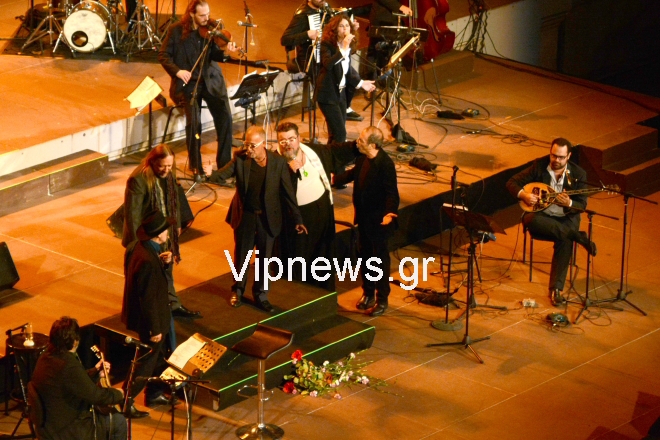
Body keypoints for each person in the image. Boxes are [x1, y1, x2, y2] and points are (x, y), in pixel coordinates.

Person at [203, 126, 307, 312]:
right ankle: (238, 291)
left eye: (252, 145)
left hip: (267, 218)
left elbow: (288, 193)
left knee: (264, 260)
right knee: (242, 257)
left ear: (263, 144)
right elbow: (223, 174)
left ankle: (261, 295)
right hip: (246, 217)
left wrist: (298, 219)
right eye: (246, 144)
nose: (248, 149)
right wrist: (211, 173)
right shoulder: (241, 159)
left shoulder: (278, 162)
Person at [506, 137, 598, 306]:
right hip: (541, 217)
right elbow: (512, 182)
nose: (556, 160)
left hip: (565, 219)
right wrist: (524, 195)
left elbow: (581, 206)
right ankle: (578, 236)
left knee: (565, 239)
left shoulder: (578, 174)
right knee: (532, 220)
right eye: (553, 155)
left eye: (561, 157)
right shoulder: (539, 166)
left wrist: (569, 203)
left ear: (568, 156)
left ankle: (556, 289)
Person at [158, 0, 239, 179]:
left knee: (225, 119)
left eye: (208, 14)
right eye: (202, 15)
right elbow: (163, 55)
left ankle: (224, 165)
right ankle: (196, 166)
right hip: (189, 84)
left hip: (211, 81)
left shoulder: (212, 29)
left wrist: (226, 51)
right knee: (194, 124)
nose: (207, 19)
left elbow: (216, 55)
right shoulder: (176, 30)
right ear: (192, 14)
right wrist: (178, 72)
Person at [275, 122, 358, 290]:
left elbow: (337, 151)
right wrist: (289, 171)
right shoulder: (274, 163)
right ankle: (302, 295)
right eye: (283, 141)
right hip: (296, 223)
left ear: (299, 138)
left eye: (291, 139)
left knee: (322, 257)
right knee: (299, 262)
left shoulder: (313, 151)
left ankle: (324, 293)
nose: (288, 144)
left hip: (321, 217)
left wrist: (358, 144)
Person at [122, 144, 201, 320]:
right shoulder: (138, 179)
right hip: (146, 236)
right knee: (148, 278)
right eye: (162, 166)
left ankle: (172, 304)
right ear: (152, 162)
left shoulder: (168, 171)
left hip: (164, 231)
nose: (166, 170)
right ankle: (147, 312)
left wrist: (176, 224)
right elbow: (133, 216)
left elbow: (174, 198)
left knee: (167, 267)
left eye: (169, 166)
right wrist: (138, 247)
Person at [334, 126, 399, 316]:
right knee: (365, 257)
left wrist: (389, 213)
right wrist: (333, 179)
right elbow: (352, 174)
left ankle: (382, 299)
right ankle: (368, 292)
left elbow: (392, 193)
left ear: (373, 144)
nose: (357, 142)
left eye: (361, 140)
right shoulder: (362, 158)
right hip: (363, 219)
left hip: (378, 223)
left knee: (379, 261)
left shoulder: (385, 164)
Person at [30, 316, 127, 440]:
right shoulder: (68, 364)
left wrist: (95, 371)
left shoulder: (45, 356)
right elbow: (96, 396)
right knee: (118, 421)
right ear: (75, 341)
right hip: (66, 430)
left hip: (48, 427)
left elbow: (74, 382)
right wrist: (119, 394)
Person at [122, 210, 177, 414]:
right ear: (158, 234)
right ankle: (126, 400)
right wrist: (155, 329)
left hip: (157, 317)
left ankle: (154, 393)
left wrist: (166, 264)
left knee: (158, 357)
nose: (168, 232)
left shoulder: (142, 249)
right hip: (152, 322)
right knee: (145, 363)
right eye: (165, 230)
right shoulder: (147, 260)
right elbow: (147, 298)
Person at [281, 0, 363, 121]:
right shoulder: (302, 15)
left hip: (326, 55)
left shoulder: (326, 8)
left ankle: (344, 107)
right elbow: (285, 39)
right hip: (310, 59)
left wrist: (351, 29)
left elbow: (333, 33)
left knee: (349, 73)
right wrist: (307, 34)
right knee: (334, 75)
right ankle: (335, 111)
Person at [315, 14, 375, 144]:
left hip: (340, 94)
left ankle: (331, 155)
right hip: (327, 95)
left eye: (347, 26)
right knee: (340, 134)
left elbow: (347, 69)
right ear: (335, 29)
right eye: (341, 26)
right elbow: (328, 64)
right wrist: (343, 49)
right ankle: (337, 156)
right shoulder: (327, 45)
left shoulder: (348, 47)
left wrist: (361, 83)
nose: (345, 29)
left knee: (335, 134)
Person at [367, 0, 412, 72]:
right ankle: (375, 76)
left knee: (391, 55)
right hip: (382, 20)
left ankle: (388, 75)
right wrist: (399, 7)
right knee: (378, 55)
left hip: (392, 21)